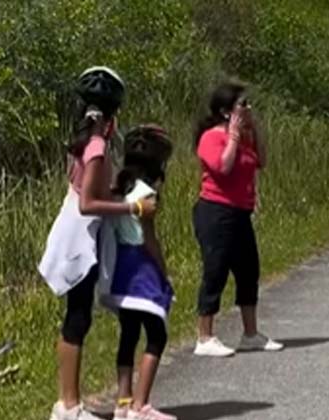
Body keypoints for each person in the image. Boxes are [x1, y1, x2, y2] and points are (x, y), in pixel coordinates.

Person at [39, 67, 158, 420]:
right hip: (80, 236)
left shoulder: (82, 141)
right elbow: (87, 203)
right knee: (77, 318)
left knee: (77, 317)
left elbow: (83, 188)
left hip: (78, 232)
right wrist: (132, 206)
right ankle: (69, 406)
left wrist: (115, 191)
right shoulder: (98, 146)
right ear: (112, 116)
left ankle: (68, 403)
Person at [192, 81, 284, 357]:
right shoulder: (211, 137)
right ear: (225, 111)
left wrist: (251, 130)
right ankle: (205, 335)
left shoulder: (245, 138)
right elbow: (222, 167)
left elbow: (262, 161)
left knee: (248, 270)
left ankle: (250, 333)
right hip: (215, 211)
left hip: (240, 212)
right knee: (216, 270)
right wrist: (232, 136)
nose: (248, 109)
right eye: (242, 105)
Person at [98, 124, 176, 420]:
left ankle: (123, 402)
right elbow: (150, 239)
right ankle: (141, 405)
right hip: (141, 265)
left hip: (119, 267)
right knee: (156, 334)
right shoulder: (148, 195)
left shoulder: (118, 189)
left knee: (129, 334)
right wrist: (163, 271)